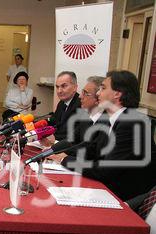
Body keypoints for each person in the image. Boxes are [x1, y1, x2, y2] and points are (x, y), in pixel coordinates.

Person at [59, 70, 155, 201]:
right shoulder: (108, 118)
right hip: (109, 189)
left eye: (103, 88)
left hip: (128, 200)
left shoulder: (132, 123)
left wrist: (64, 160)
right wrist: (56, 152)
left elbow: (104, 171)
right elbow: (90, 147)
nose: (98, 93)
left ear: (117, 94)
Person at [48, 76, 107, 164]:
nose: (80, 96)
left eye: (85, 93)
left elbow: (90, 151)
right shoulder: (86, 117)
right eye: (82, 92)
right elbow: (72, 140)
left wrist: (64, 157)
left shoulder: (108, 122)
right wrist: (51, 150)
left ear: (98, 98)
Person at [47, 71, 81, 141]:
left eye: (64, 86)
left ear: (75, 87)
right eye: (57, 87)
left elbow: (73, 134)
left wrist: (53, 137)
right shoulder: (61, 103)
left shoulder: (80, 104)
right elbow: (55, 123)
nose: (59, 91)